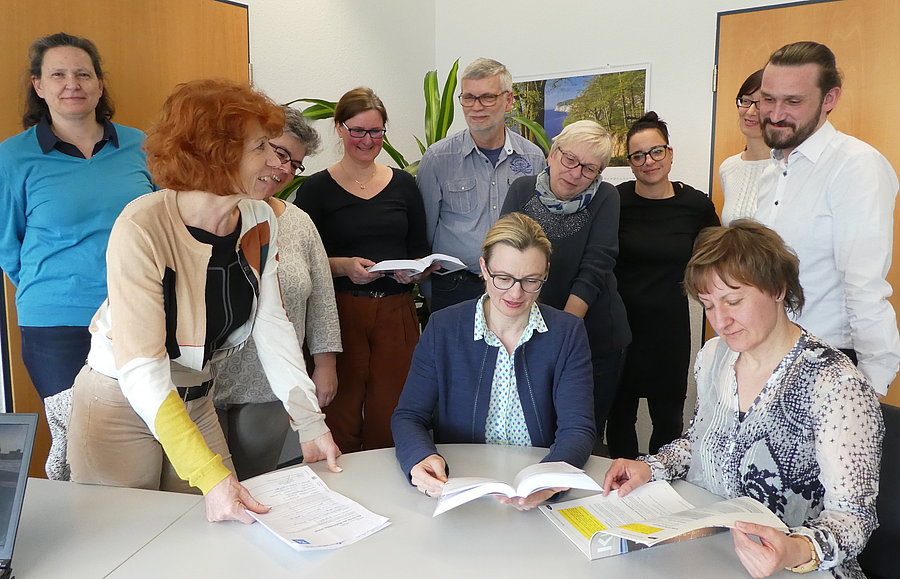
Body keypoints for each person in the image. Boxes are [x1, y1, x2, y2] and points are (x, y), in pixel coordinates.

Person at [66, 79, 341, 524]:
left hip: (196, 395)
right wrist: (208, 476)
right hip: (121, 400)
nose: (276, 163)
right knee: (127, 538)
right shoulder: (141, 225)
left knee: (220, 532)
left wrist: (310, 422)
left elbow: (273, 328)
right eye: (261, 148)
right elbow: (142, 368)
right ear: (216, 152)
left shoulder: (257, 218)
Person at [603, 220, 882, 578]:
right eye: (708, 306)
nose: (721, 321)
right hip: (712, 551)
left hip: (796, 568)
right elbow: (699, 441)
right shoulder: (715, 355)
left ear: (778, 289)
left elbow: (854, 517)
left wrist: (794, 549)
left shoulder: (836, 384)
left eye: (733, 301)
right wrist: (650, 467)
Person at [0, 32, 154, 480]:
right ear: (39, 86)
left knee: (142, 430)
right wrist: (53, 285)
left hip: (137, 313)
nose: (73, 83)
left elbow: (163, 224)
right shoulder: (13, 156)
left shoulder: (139, 144)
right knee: (78, 439)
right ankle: (88, 533)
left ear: (100, 85)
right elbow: (9, 245)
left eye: (83, 73)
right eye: (58, 74)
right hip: (56, 323)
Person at [392, 213, 595, 511]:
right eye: (503, 278)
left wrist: (548, 479)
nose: (515, 293)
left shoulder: (566, 332)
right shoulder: (444, 327)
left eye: (531, 281)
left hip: (538, 487)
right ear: (484, 268)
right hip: (461, 484)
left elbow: (578, 428)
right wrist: (420, 457)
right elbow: (408, 415)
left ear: (546, 273)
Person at [755, 40, 900, 397]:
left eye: (793, 102)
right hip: (766, 357)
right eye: (768, 99)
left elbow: (865, 287)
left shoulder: (856, 166)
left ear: (829, 99)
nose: (775, 114)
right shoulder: (770, 173)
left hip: (826, 363)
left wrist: (870, 388)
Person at [295, 87, 431, 454]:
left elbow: (419, 248)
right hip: (339, 313)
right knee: (339, 412)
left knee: (394, 410)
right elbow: (298, 258)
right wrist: (341, 266)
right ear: (339, 129)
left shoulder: (404, 184)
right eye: (358, 130)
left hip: (396, 312)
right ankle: (340, 496)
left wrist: (417, 272)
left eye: (376, 132)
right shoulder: (315, 189)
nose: (367, 141)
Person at [214, 106, 341, 480]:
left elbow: (321, 301)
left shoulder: (297, 223)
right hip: (204, 388)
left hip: (274, 390)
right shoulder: (212, 214)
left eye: (294, 163)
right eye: (280, 153)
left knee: (268, 488)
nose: (284, 168)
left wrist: (325, 365)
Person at [501, 120, 630, 448]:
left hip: (592, 336)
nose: (574, 173)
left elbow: (596, 266)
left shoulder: (606, 197)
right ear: (552, 154)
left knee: (583, 434)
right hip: (527, 331)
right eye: (569, 160)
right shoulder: (521, 189)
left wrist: (563, 332)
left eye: (589, 169)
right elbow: (504, 251)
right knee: (535, 430)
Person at [608, 111, 719, 459]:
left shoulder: (696, 205)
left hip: (668, 329)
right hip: (619, 328)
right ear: (630, 162)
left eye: (656, 151)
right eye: (638, 155)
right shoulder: (614, 200)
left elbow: (715, 261)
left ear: (669, 153)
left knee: (668, 420)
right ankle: (618, 493)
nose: (648, 161)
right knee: (619, 417)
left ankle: (661, 494)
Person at [417, 58, 546, 311]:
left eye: (487, 97)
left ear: (508, 101)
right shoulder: (438, 159)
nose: (476, 107)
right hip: (455, 287)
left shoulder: (532, 158)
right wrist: (428, 290)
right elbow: (426, 231)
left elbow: (538, 228)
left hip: (515, 288)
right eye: (468, 97)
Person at [719, 69, 770, 225]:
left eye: (760, 104)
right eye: (746, 101)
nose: (750, 111)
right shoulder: (728, 168)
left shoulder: (788, 167)